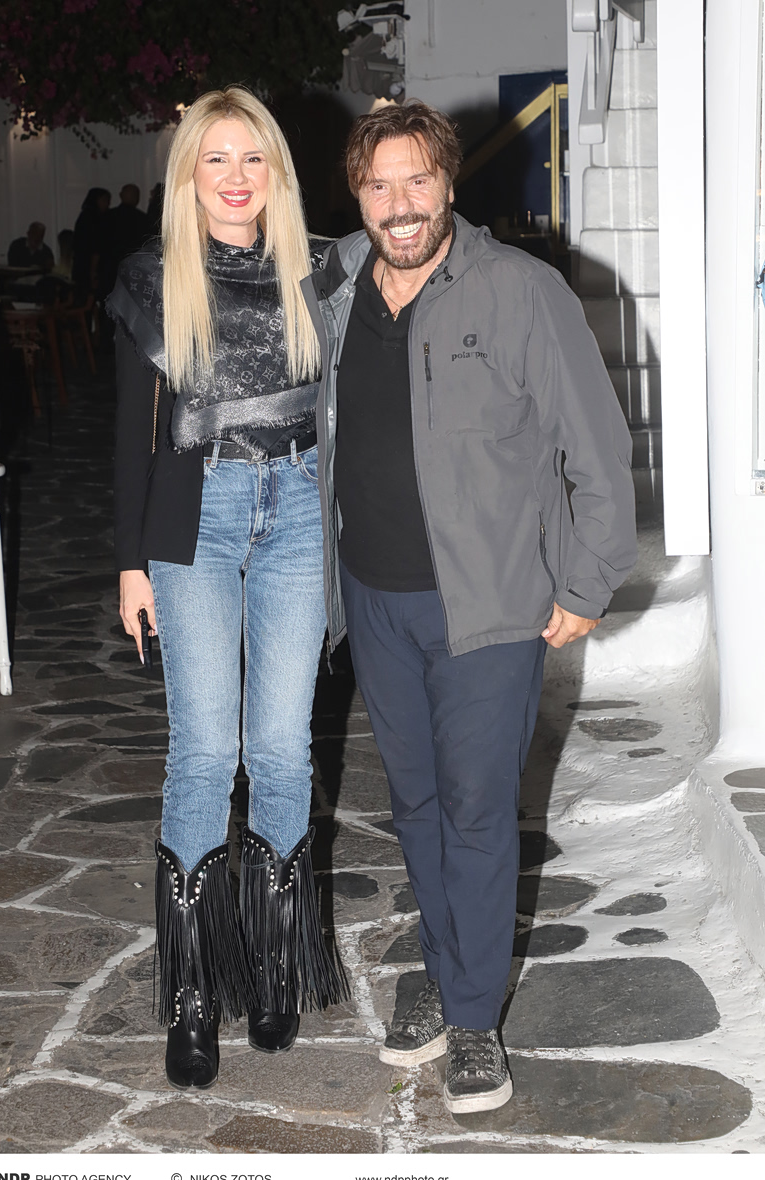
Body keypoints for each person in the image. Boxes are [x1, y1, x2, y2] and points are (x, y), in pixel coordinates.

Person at [302, 100, 637, 1114]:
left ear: (449, 183)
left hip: (489, 605)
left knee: (479, 808)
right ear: (356, 196)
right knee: (414, 806)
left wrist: (586, 581)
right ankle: (448, 974)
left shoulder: (520, 291)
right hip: (375, 598)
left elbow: (596, 444)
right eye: (378, 185)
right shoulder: (335, 288)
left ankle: (475, 1017)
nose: (399, 204)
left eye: (418, 180)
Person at [108, 85, 345, 1092]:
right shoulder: (150, 279)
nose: (236, 177)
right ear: (189, 176)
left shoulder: (324, 271)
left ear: (276, 171)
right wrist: (129, 560)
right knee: (204, 751)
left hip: (297, 511)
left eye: (253, 158)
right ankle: (196, 991)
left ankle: (278, 963)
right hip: (193, 518)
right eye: (216, 158)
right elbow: (132, 432)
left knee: (283, 748)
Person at [72, 187, 110, 301]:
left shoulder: (84, 216)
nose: (107, 204)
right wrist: (93, 272)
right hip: (90, 267)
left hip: (81, 265)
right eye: (104, 200)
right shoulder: (95, 219)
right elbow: (96, 246)